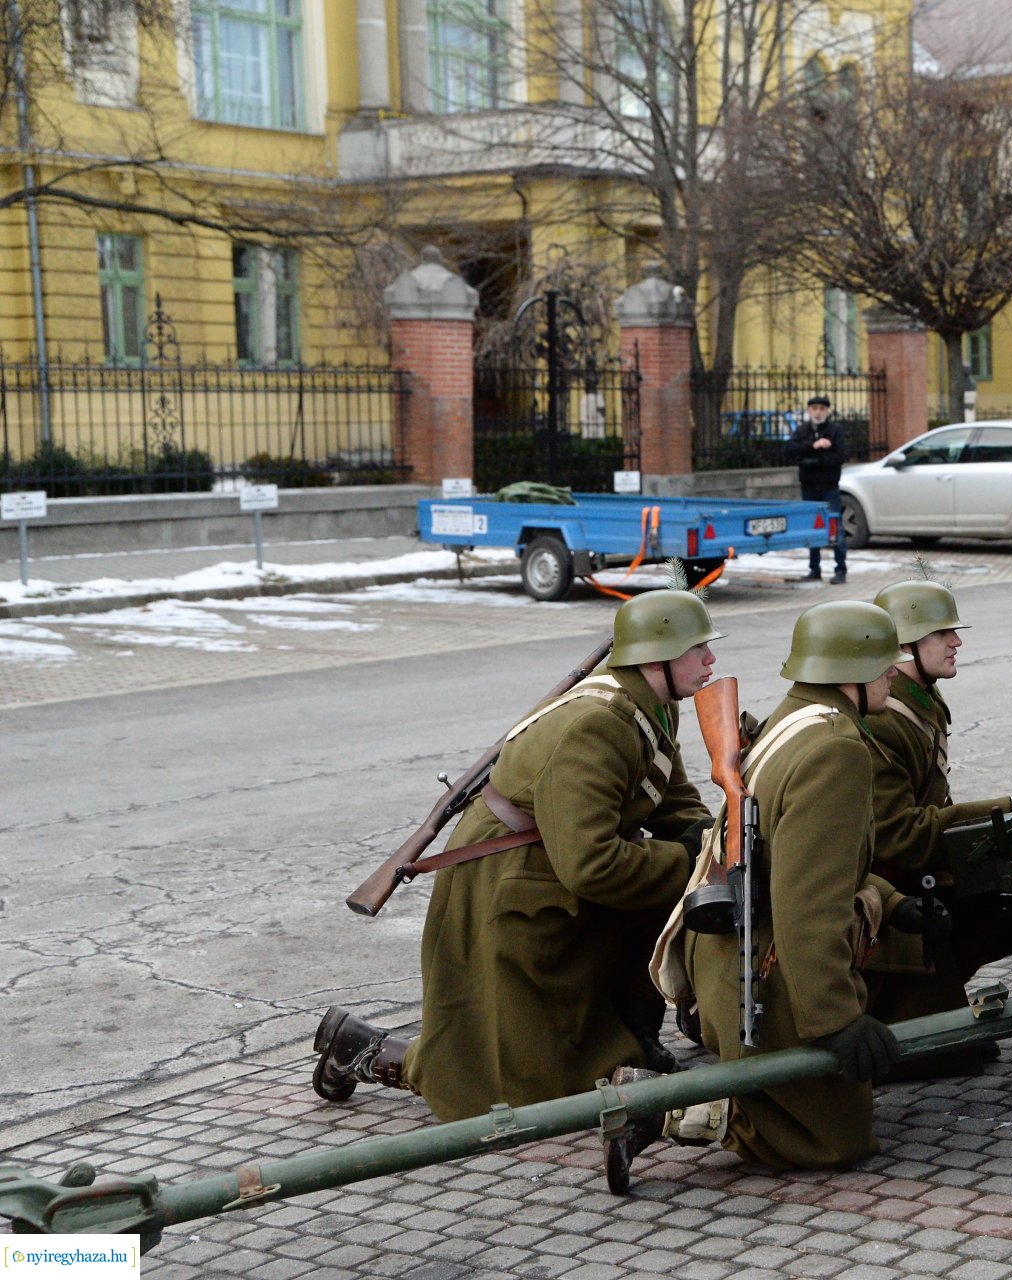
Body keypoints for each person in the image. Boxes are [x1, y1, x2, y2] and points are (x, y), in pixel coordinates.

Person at [310, 590, 723, 1120]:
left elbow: (666, 792)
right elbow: (594, 864)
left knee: (578, 1051)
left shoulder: (652, 705)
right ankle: (360, 1049)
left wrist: (714, 841)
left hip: (557, 874)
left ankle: (634, 1044)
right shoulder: (597, 724)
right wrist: (687, 857)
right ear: (654, 658)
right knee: (523, 1088)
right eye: (698, 649)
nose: (711, 660)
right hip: (509, 886)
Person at [681, 601, 929, 1168]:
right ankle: (666, 1112)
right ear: (847, 672)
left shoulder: (796, 721)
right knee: (830, 1142)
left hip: (734, 960)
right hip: (763, 977)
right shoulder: (834, 751)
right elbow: (808, 905)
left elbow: (805, 859)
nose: (894, 672)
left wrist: (889, 902)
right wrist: (835, 1020)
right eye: (881, 663)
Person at [861, 580, 1012, 1071]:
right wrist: (1003, 812)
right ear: (902, 646)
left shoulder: (917, 698)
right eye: (941, 633)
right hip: (890, 899)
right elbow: (895, 836)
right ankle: (898, 1006)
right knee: (948, 1052)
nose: (956, 641)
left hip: (921, 879)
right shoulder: (884, 718)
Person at [787, 394, 848, 584]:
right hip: (809, 487)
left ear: (827, 411)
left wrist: (813, 460)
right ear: (809, 411)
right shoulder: (803, 430)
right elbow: (789, 450)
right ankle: (815, 569)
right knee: (813, 527)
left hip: (829, 487)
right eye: (814, 408)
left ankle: (840, 569)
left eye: (822, 409)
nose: (818, 412)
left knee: (835, 526)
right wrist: (814, 446)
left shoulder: (835, 430)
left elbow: (840, 456)